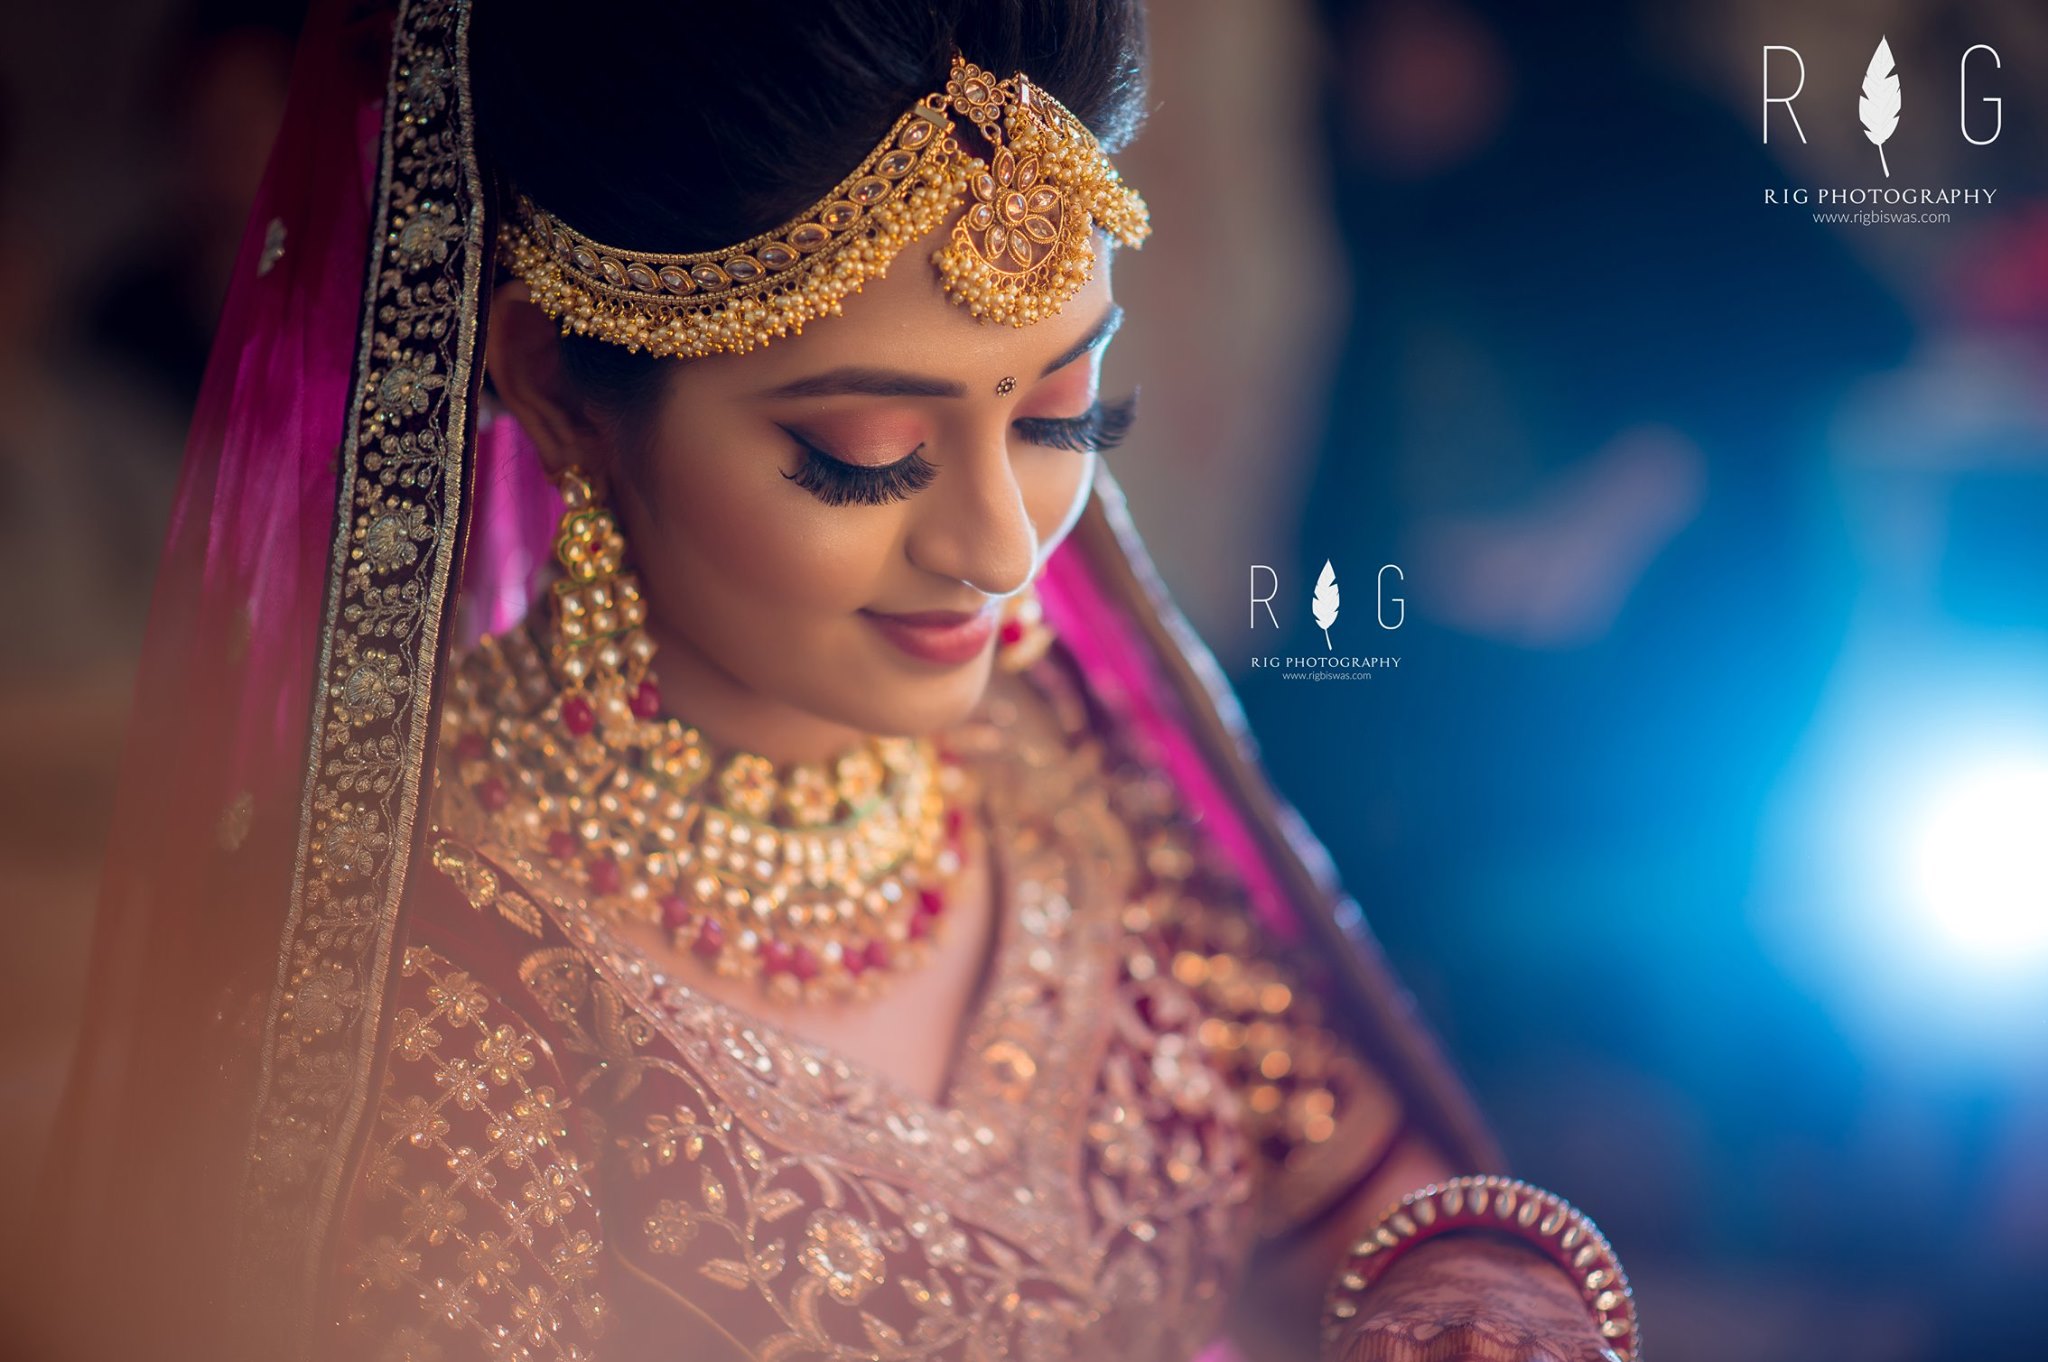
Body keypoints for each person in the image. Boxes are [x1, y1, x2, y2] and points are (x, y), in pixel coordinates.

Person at [23, 2, 1641, 1360]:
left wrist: (1469, 1294)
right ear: (561, 393)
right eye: (862, 455)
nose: (1001, 546)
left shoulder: (1049, 756)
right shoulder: (437, 987)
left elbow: (1358, 1180)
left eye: (1065, 418)